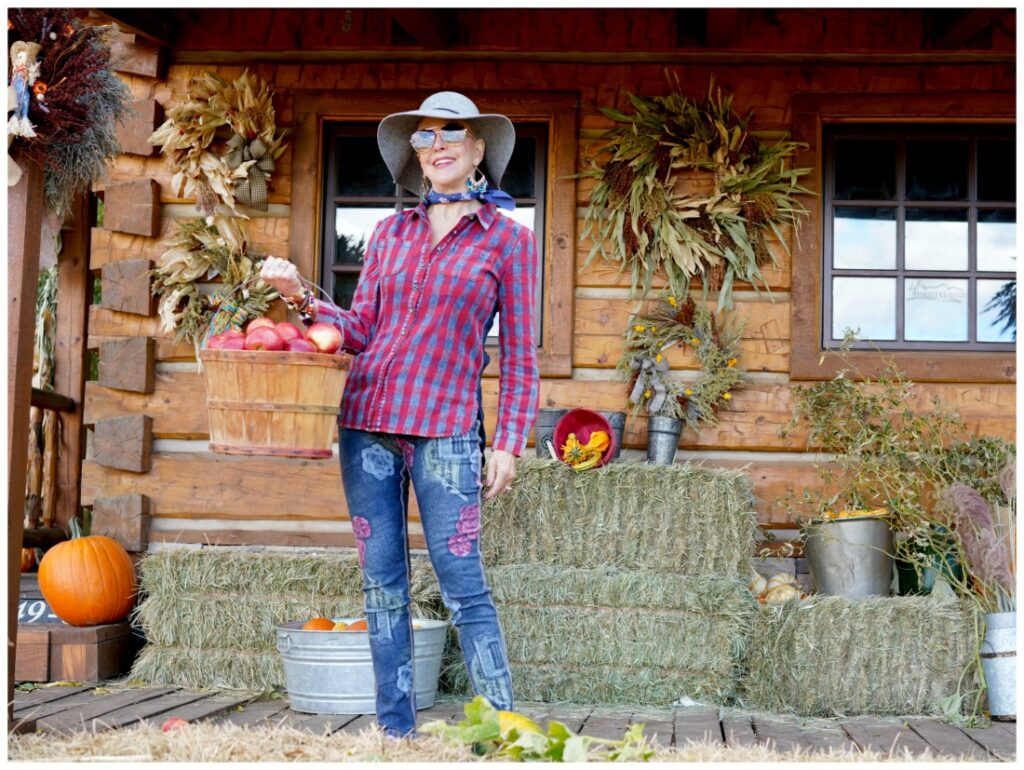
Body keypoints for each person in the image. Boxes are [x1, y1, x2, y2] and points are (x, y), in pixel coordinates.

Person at [259, 91, 540, 738]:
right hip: (367, 427)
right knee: (382, 584)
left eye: (451, 133)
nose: (436, 145)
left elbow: (521, 355)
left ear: (477, 150)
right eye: (422, 137)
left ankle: (506, 732)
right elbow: (359, 330)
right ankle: (396, 733)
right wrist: (299, 295)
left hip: (445, 429)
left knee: (463, 583)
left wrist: (507, 443)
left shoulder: (508, 242)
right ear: (414, 156)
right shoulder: (389, 234)